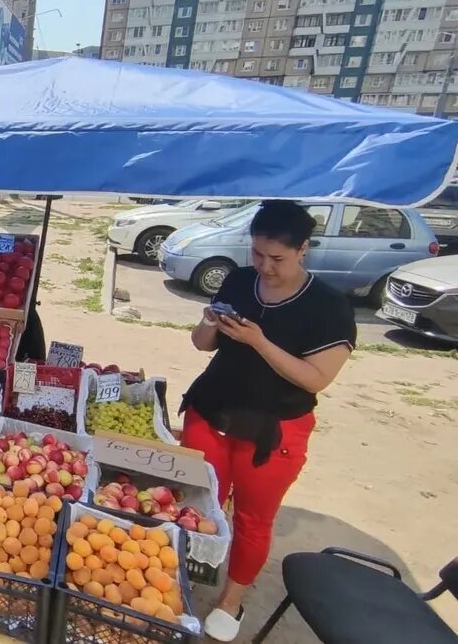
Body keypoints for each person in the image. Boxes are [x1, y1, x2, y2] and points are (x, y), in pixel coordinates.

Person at [181, 200, 356, 642]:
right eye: (257, 254)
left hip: (273, 430)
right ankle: (188, 569)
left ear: (303, 250)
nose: (264, 266)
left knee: (253, 519)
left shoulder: (328, 307)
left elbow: (317, 378)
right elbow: (203, 345)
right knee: (200, 501)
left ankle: (230, 601)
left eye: (276, 258)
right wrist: (208, 324)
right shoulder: (240, 282)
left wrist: (259, 342)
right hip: (212, 410)